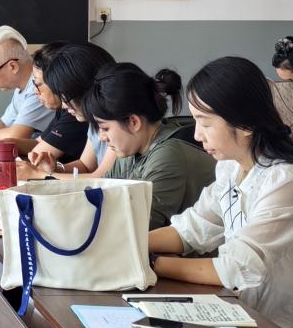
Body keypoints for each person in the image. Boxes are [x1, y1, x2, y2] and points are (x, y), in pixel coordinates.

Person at [147, 56, 293, 328]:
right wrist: (131, 244)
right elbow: (192, 228)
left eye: (205, 123)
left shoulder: (290, 179)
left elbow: (237, 267)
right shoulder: (232, 167)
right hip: (269, 317)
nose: (197, 135)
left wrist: (150, 262)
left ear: (245, 124)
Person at [82, 63, 215, 229]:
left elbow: (139, 225)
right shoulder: (131, 150)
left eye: (105, 128)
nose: (102, 137)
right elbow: (102, 193)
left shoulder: (168, 155)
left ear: (133, 122)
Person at [28, 42, 116, 177]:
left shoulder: (116, 122)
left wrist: (37, 175)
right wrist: (54, 168)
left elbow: (99, 178)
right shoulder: (94, 121)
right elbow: (85, 166)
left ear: (83, 88)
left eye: (66, 98)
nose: (63, 106)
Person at [14, 42, 90, 164]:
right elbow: (39, 142)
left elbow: (35, 157)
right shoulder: (65, 108)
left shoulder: (76, 112)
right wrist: (5, 144)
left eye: (38, 84)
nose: (35, 91)